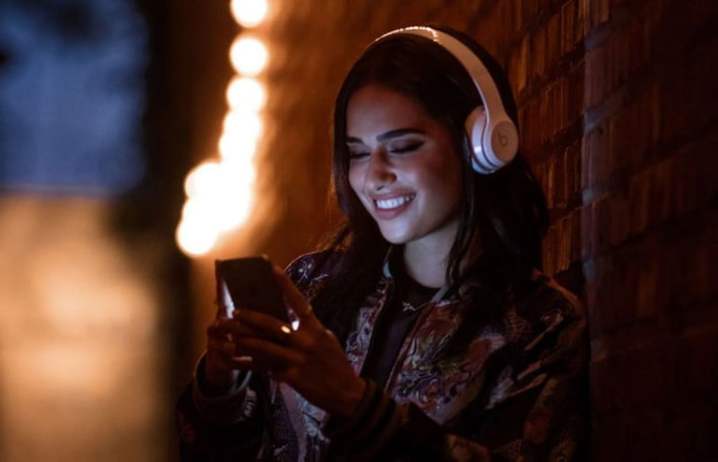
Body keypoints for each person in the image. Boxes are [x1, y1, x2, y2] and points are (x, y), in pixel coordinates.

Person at [176, 25, 589, 462]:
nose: (374, 176)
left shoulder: (540, 324)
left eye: (403, 146)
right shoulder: (312, 288)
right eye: (357, 152)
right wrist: (220, 387)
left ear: (480, 142)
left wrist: (355, 404)